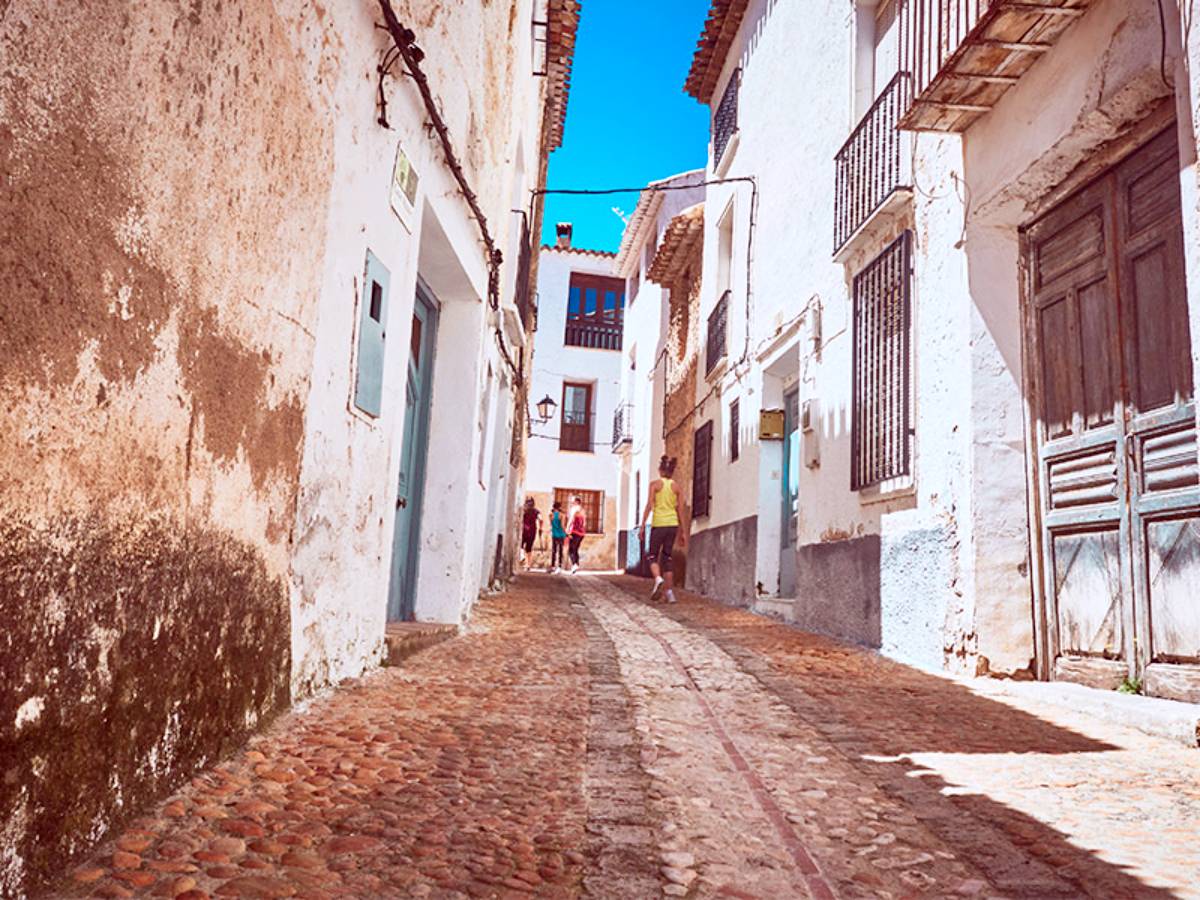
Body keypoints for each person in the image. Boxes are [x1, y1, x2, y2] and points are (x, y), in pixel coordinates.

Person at [638, 455, 688, 603]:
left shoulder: (655, 485)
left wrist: (642, 525)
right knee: (667, 557)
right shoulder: (677, 487)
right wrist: (683, 532)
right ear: (672, 472)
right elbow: (680, 510)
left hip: (658, 524)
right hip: (672, 525)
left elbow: (649, 505)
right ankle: (669, 593)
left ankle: (658, 579)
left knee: (652, 555)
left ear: (660, 470)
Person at [567, 495, 587, 575]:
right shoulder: (583, 510)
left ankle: (574, 564)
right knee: (575, 549)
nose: (571, 502)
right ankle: (576, 565)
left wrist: (567, 528)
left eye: (572, 501)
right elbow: (585, 523)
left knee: (571, 550)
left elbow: (572, 519)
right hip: (581, 532)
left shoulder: (575, 509)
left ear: (576, 501)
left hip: (574, 531)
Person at [520, 497, 541, 568]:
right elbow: (541, 519)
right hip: (532, 531)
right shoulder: (536, 511)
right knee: (529, 548)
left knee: (521, 545)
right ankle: (528, 564)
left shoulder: (524, 510)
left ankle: (522, 555)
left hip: (524, 530)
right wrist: (540, 528)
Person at [549, 500, 567, 573]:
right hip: (561, 534)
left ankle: (553, 566)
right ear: (559, 507)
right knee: (560, 550)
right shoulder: (561, 515)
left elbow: (551, 524)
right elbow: (562, 526)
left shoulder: (551, 514)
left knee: (554, 550)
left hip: (554, 534)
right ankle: (559, 566)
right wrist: (566, 533)